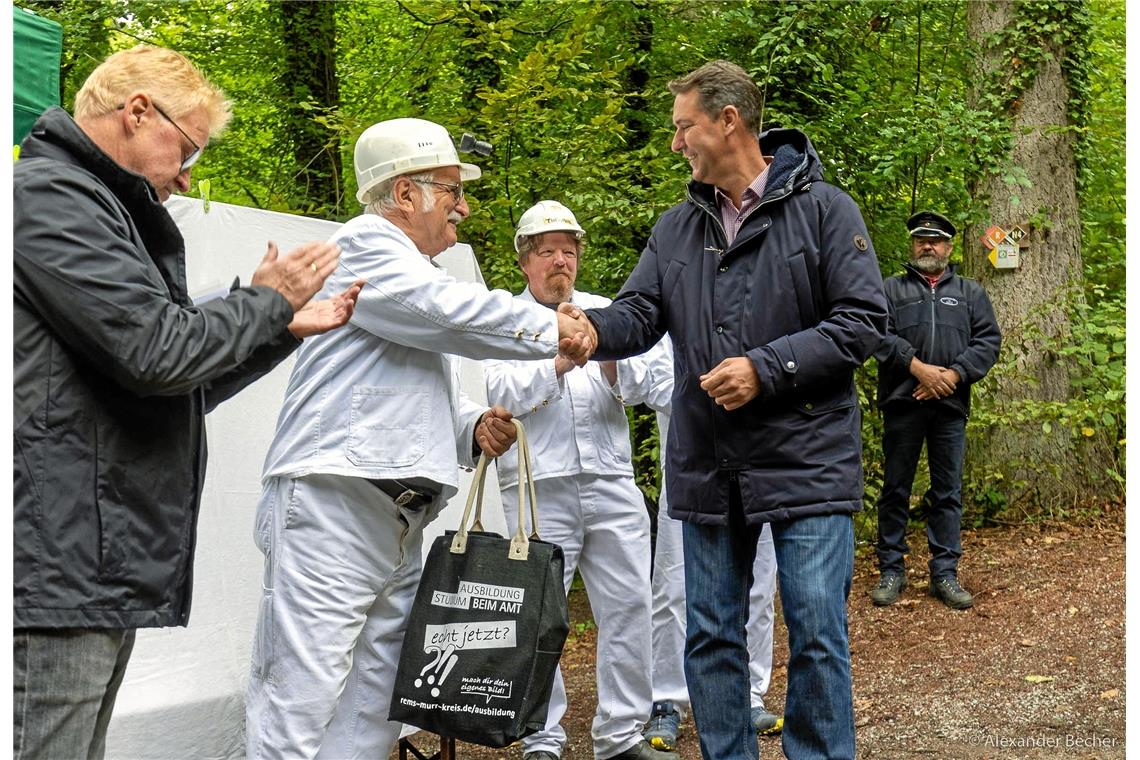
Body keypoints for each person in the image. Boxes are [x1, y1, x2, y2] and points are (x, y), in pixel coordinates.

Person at [13, 45, 358, 760]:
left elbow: (168, 382)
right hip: (57, 563)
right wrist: (265, 303)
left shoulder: (99, 209)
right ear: (138, 112)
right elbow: (157, 352)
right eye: (189, 146)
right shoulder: (47, 197)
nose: (191, 170)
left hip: (90, 562)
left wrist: (275, 325)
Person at [244, 125, 594, 760]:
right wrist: (551, 327)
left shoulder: (409, 273)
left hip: (400, 515)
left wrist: (469, 427)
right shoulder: (364, 245)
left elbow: (406, 383)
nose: (463, 206)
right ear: (405, 192)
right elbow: (443, 309)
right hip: (334, 505)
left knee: (381, 697)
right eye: (452, 191)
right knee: (300, 691)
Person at [571, 60, 888, 760]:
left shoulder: (826, 210)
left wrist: (766, 369)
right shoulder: (677, 228)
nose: (676, 143)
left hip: (808, 456)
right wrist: (591, 331)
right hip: (710, 465)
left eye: (684, 126)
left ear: (728, 121)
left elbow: (864, 321)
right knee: (709, 635)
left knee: (814, 628)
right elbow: (639, 311)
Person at [482, 201, 675, 760]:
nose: (560, 260)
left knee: (630, 605)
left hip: (611, 481)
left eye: (569, 250)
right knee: (538, 615)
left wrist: (607, 351)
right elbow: (496, 393)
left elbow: (652, 382)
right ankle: (542, 737)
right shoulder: (500, 316)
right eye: (547, 251)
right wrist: (558, 363)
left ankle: (620, 736)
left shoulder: (605, 311)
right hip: (537, 488)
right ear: (525, 261)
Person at [618, 347, 784, 752]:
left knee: (760, 583)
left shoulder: (764, 301)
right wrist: (713, 389)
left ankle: (749, 693)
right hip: (690, 468)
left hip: (762, 464)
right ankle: (668, 699)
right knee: (674, 586)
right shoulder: (677, 302)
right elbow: (645, 384)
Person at [869, 211, 1001, 610]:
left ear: (948, 247)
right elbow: (876, 334)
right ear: (912, 244)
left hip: (950, 406)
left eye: (937, 240)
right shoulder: (890, 289)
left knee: (947, 492)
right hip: (902, 405)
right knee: (895, 489)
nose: (928, 246)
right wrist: (919, 370)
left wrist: (954, 375)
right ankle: (891, 569)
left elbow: (987, 342)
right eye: (922, 239)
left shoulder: (970, 292)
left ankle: (944, 572)